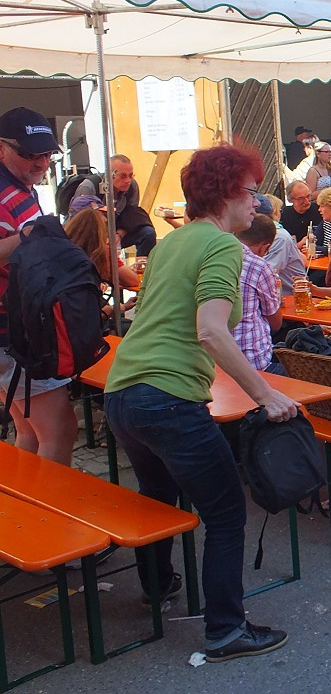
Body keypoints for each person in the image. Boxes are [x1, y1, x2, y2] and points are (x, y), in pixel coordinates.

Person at [104, 143, 294, 660]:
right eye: (252, 192)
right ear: (227, 192)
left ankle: (158, 584)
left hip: (123, 392)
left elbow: (154, 314)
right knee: (228, 513)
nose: (257, 203)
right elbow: (210, 330)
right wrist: (265, 394)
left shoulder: (172, 242)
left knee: (158, 493)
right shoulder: (224, 246)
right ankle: (226, 630)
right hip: (167, 397)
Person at [0, 108, 81, 466]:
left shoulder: (19, 187)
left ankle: (27, 514)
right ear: (2, 148)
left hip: (15, 330)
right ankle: (53, 517)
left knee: (31, 431)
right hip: (13, 332)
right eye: (29, 154)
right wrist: (30, 236)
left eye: (46, 153)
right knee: (60, 429)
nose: (41, 161)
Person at [73, 154, 158, 256]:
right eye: (122, 176)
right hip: (91, 233)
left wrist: (119, 235)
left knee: (148, 233)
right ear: (110, 174)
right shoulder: (89, 187)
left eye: (130, 175)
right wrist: (103, 237)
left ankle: (143, 267)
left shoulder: (132, 186)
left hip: (116, 230)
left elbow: (131, 218)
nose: (127, 181)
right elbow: (79, 223)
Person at [232, 214, 283, 373]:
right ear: (264, 247)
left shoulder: (212, 256)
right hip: (253, 362)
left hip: (213, 362)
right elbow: (276, 322)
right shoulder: (258, 266)